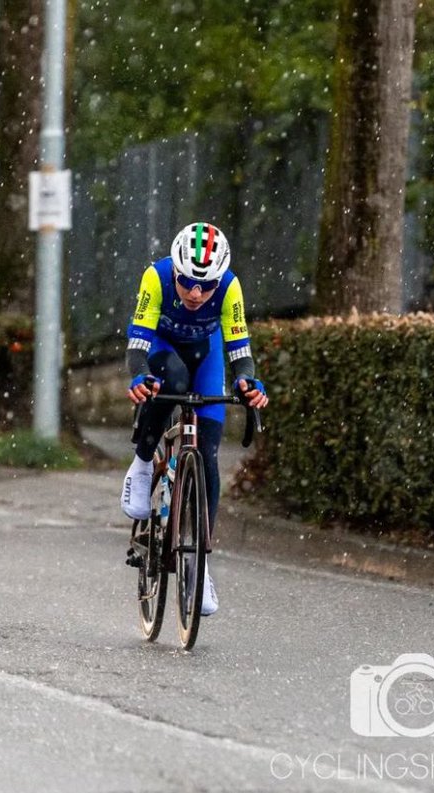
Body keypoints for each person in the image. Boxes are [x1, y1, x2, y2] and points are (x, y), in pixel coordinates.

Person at [120, 221, 269, 615]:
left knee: (206, 454)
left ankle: (199, 564)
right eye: (188, 282)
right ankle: (140, 465)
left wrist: (247, 383)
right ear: (177, 271)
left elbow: (238, 346)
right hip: (162, 349)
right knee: (171, 379)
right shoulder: (157, 277)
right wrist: (139, 375)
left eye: (206, 285)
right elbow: (138, 337)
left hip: (207, 355)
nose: (196, 293)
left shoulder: (229, 288)